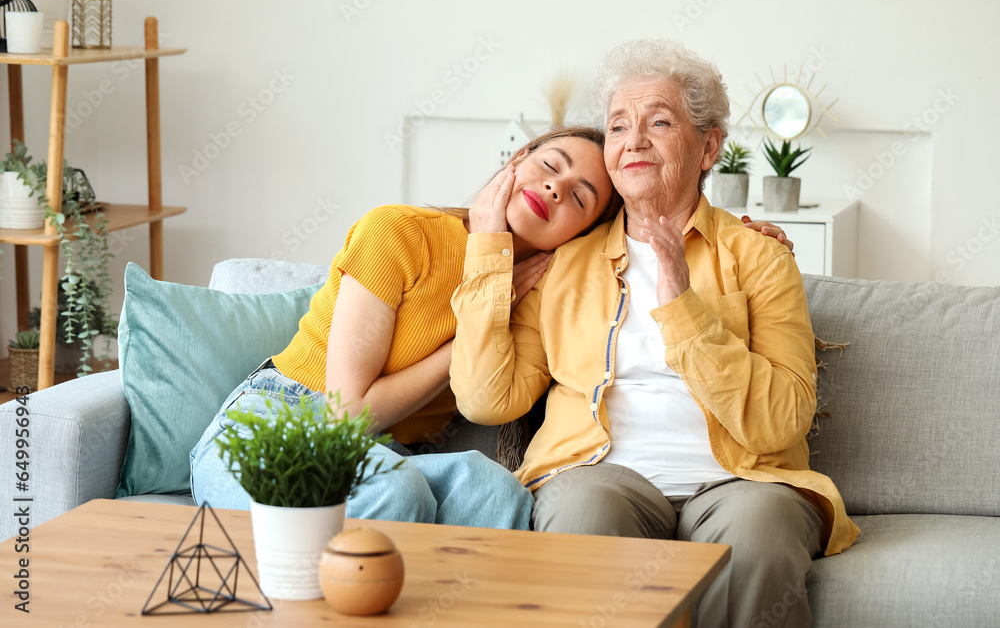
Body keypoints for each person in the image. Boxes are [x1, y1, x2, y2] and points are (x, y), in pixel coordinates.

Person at [450, 39, 859, 627]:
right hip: (599, 474)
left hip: (741, 481)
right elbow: (486, 400)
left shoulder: (759, 257)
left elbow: (784, 419)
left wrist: (681, 304)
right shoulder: (567, 262)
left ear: (708, 147)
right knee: (584, 515)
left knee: (761, 529)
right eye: (618, 126)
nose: (634, 140)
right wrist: (488, 250)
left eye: (659, 122)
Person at [190, 126, 621, 529]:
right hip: (280, 423)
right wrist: (472, 329)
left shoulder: (540, 299)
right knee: (395, 492)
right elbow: (348, 413)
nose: (555, 188)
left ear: (583, 234)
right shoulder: (399, 231)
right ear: (518, 159)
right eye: (550, 166)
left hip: (387, 455)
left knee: (495, 495)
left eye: (580, 198)